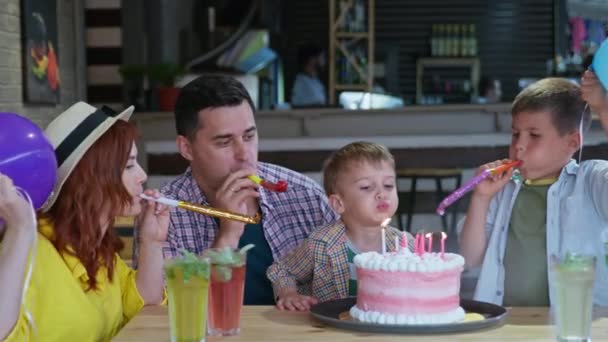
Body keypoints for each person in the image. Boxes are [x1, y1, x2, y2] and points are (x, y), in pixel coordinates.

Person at [147, 75, 338, 305]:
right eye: (224, 142)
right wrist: (228, 235)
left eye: (249, 136)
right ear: (186, 148)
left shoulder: (303, 195)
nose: (244, 154)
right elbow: (170, 311)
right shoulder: (165, 211)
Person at [0, 102, 168, 341]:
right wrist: (20, 228)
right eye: (129, 165)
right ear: (90, 177)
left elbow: (143, 309)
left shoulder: (96, 247)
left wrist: (152, 241)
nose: (143, 176)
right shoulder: (28, 252)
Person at [459, 78, 608, 307]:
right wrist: (481, 198)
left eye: (534, 135)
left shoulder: (591, 180)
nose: (519, 145)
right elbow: (469, 258)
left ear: (571, 143)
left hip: (574, 328)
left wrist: (603, 108)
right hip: (505, 322)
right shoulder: (502, 188)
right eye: (515, 134)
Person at [267, 142, 414, 311]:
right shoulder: (321, 244)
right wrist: (288, 293)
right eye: (366, 187)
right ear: (338, 203)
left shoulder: (405, 245)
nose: (382, 193)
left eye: (388, 185)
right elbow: (282, 271)